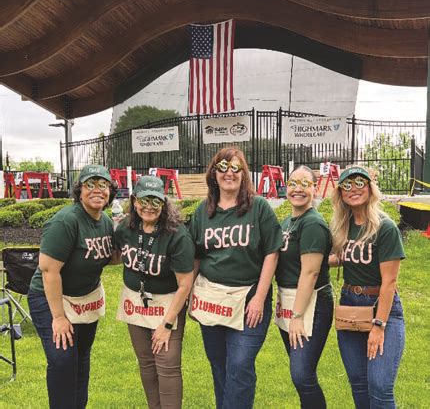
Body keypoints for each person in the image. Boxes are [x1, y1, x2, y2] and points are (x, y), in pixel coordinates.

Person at [189, 147, 283, 409]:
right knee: (219, 363)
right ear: (214, 173)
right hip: (211, 298)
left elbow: (272, 252)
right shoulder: (202, 212)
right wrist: (189, 296)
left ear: (244, 174)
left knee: (240, 365)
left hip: (249, 299)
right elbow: (195, 257)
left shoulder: (258, 208)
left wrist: (259, 298)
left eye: (235, 168)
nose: (229, 173)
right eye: (223, 167)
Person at [28, 165, 116, 409]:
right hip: (51, 297)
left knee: (81, 357)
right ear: (79, 190)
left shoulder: (105, 221)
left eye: (103, 185)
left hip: (85, 298)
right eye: (90, 184)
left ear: (110, 191)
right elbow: (49, 271)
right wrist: (58, 317)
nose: (97, 190)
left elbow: (107, 255)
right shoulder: (66, 221)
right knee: (63, 360)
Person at [115, 176, 194, 409]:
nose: (149, 206)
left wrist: (166, 325)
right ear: (134, 201)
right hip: (136, 303)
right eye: (144, 200)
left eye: (155, 201)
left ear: (164, 203)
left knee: (167, 364)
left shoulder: (177, 235)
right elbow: (115, 254)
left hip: (168, 305)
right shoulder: (126, 228)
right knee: (146, 364)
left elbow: (185, 284)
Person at [330, 165, 405, 409]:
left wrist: (379, 326)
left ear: (370, 188)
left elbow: (389, 282)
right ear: (341, 193)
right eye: (347, 185)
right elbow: (344, 257)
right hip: (350, 304)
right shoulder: (343, 225)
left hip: (380, 307)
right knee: (359, 383)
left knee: (380, 387)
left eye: (360, 183)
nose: (354, 189)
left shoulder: (385, 227)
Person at [275, 165, 333, 409]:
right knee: (301, 373)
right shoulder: (287, 222)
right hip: (288, 300)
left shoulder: (312, 223)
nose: (297, 189)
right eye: (292, 183)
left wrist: (297, 317)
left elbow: (310, 272)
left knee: (302, 374)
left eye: (304, 184)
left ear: (315, 188)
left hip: (311, 304)